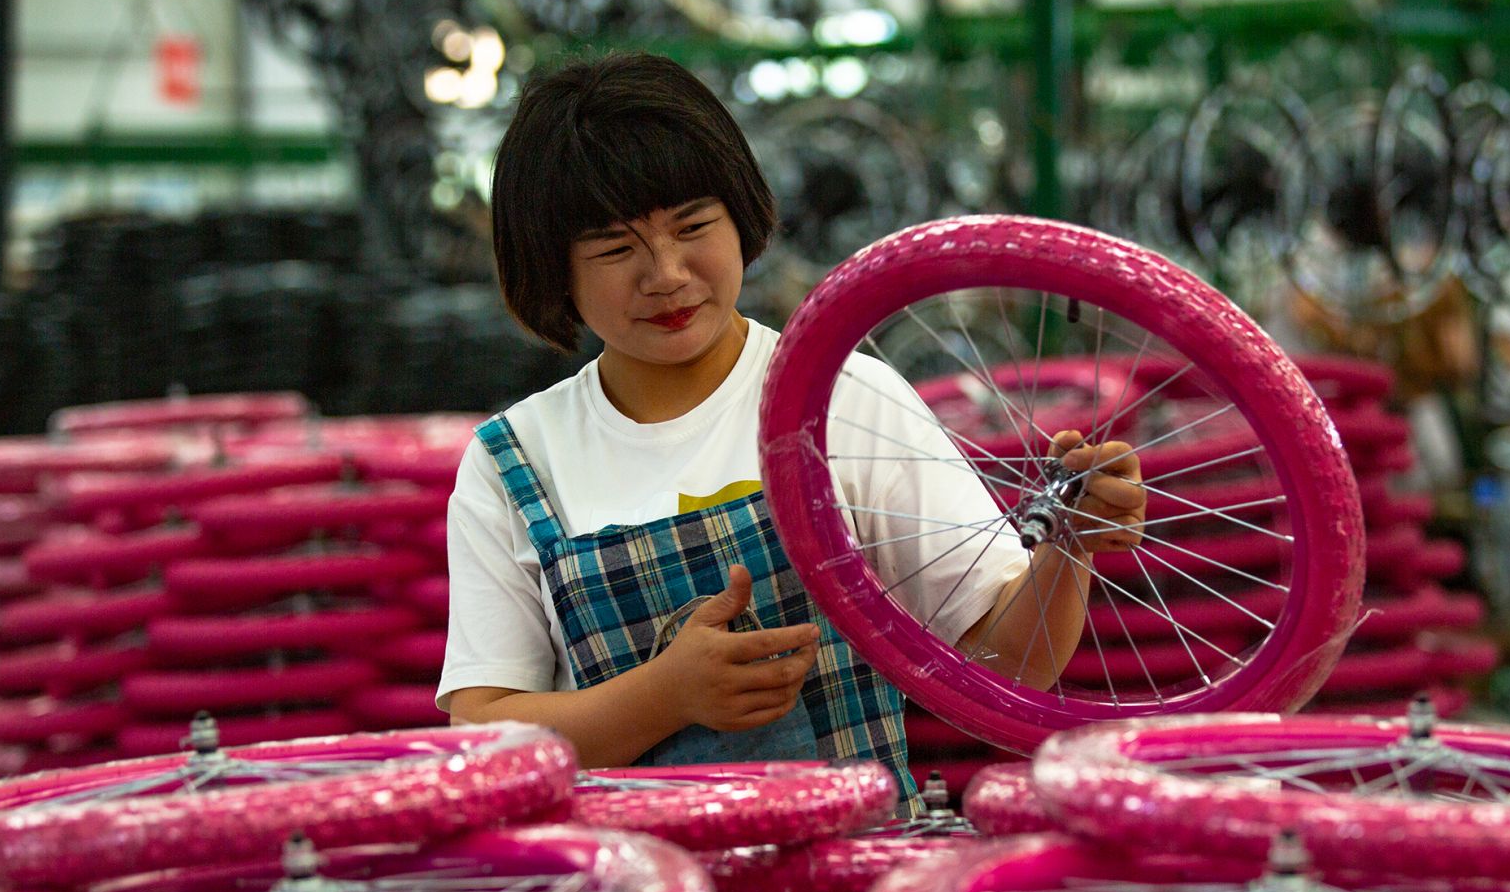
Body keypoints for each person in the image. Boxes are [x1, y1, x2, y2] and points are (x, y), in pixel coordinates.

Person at [438, 52, 1146, 789]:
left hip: (855, 858)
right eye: (616, 248)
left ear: (739, 215)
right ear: (554, 270)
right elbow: (482, 731)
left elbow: (1014, 662)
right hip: (631, 865)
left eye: (692, 225)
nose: (667, 274)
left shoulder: (845, 399)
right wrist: (662, 696)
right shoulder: (515, 463)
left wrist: (1068, 547)